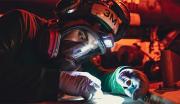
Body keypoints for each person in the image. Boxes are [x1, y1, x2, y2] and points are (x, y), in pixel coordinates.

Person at [0, 0, 148, 102]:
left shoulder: (79, 59)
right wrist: (59, 81)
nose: (81, 49)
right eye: (82, 34)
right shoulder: (22, 23)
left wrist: (120, 78)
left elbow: (99, 79)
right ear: (68, 20)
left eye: (93, 46)